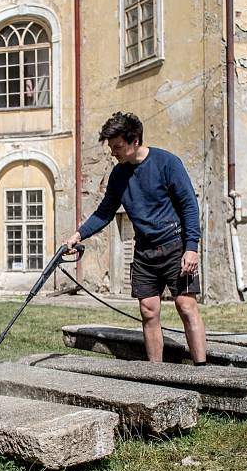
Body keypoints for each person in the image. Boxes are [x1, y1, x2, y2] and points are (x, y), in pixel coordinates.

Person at [65, 112, 207, 365]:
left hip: (175, 247)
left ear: (135, 141)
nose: (113, 153)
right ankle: (155, 374)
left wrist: (192, 248)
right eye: (110, 147)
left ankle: (202, 370)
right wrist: (78, 234)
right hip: (144, 252)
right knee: (148, 311)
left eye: (117, 146)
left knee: (186, 307)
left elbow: (189, 206)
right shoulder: (118, 175)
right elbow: (105, 212)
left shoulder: (167, 163)